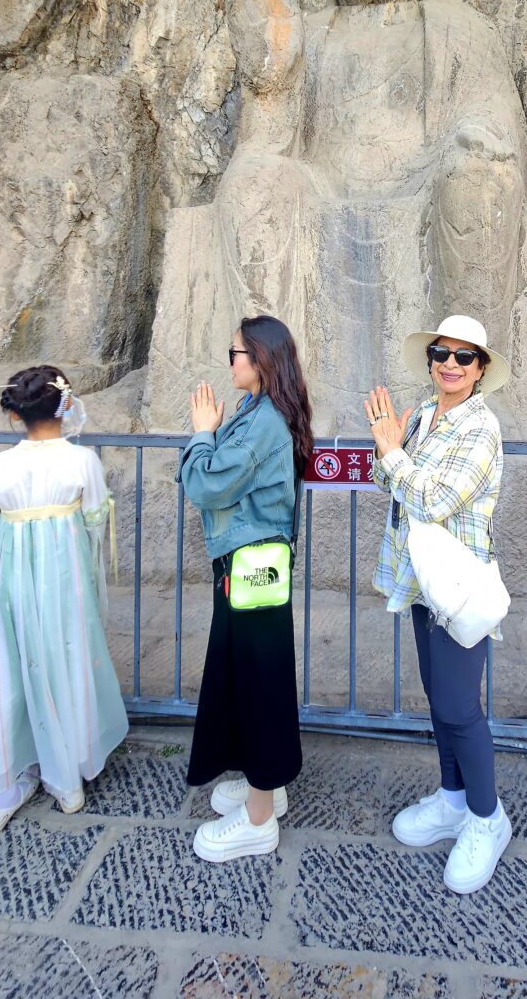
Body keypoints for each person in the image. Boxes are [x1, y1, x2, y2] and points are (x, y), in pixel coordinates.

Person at [367, 313, 511, 894]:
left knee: (459, 707)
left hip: (457, 579)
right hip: (420, 577)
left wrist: (392, 454)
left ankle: (487, 816)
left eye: (463, 356)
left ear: (480, 370)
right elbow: (391, 485)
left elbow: (434, 499)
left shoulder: (482, 428)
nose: (449, 363)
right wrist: (391, 451)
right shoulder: (425, 414)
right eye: (440, 352)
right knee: (437, 698)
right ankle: (453, 799)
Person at [0, 365, 127, 836]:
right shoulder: (82, 462)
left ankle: (7, 783)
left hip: (12, 582)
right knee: (67, 661)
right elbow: (97, 522)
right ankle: (69, 778)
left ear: (16, 415)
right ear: (65, 406)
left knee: (9, 671)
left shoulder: (0, 465)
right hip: (65, 578)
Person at [180, 314, 312, 862]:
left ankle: (259, 819)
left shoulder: (260, 423)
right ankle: (268, 786)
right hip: (249, 562)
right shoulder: (258, 411)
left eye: (234, 352)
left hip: (253, 563)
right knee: (249, 675)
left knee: (259, 684)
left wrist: (202, 433)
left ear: (259, 360)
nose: (229, 361)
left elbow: (208, 484)